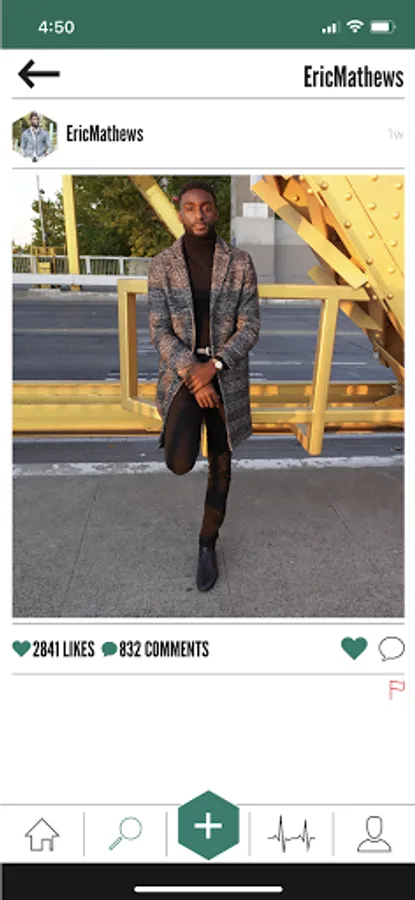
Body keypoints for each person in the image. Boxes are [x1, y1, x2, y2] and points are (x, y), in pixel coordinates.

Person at [148, 180, 260, 591]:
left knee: (221, 463)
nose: (200, 214)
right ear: (180, 212)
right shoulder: (162, 264)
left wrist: (214, 366)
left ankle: (207, 542)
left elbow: (250, 326)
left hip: (225, 375)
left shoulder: (240, 262)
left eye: (207, 206)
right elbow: (159, 330)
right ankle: (189, 417)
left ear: (216, 210)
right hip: (183, 377)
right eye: (192, 207)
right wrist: (194, 376)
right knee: (179, 462)